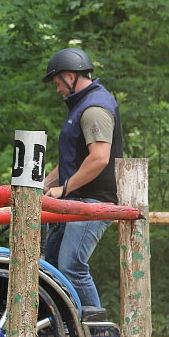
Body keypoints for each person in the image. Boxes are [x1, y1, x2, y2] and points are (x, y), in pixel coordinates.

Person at [42, 47, 123, 309]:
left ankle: (96, 331)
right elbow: (74, 160)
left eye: (57, 83)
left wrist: (63, 189)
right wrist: (46, 184)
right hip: (78, 198)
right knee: (52, 262)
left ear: (70, 76)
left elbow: (98, 158)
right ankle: (66, 328)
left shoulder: (94, 108)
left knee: (72, 266)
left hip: (92, 200)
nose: (57, 90)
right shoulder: (81, 106)